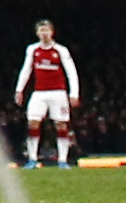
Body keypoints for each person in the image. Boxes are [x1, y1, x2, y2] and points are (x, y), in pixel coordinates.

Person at [14, 19, 80, 168]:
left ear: (52, 32)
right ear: (37, 33)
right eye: (41, 31)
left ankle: (62, 160)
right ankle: (32, 159)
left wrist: (74, 93)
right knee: (33, 122)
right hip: (39, 93)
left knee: (61, 124)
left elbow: (71, 72)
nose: (44, 34)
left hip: (58, 92)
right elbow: (26, 70)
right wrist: (19, 89)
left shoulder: (61, 50)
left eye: (47, 30)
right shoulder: (32, 49)